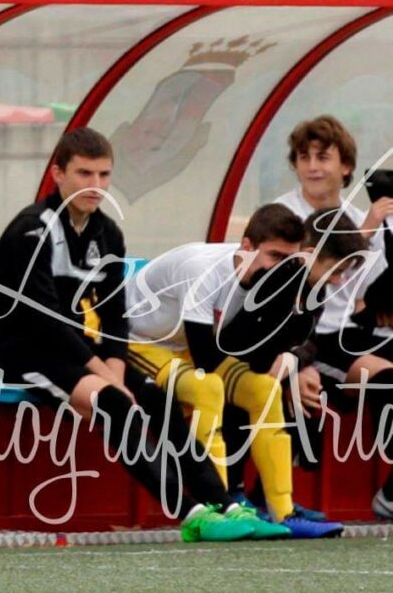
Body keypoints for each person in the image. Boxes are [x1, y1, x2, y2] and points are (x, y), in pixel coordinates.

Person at [0, 126, 271, 543]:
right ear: (57, 174)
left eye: (104, 175)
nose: (95, 185)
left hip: (77, 348)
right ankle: (190, 513)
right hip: (27, 352)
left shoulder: (106, 232)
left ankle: (223, 502)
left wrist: (115, 364)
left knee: (160, 402)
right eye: (84, 174)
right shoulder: (31, 231)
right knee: (117, 405)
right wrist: (104, 373)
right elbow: (45, 318)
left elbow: (114, 311)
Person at [126, 203, 344, 537]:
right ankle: (222, 509)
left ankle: (283, 512)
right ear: (246, 247)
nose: (281, 268)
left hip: (188, 347)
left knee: (264, 390)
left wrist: (291, 351)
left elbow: (257, 356)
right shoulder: (204, 272)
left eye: (291, 259)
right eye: (274, 257)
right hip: (141, 341)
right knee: (207, 388)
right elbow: (206, 359)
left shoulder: (279, 279)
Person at [272, 114, 393, 519]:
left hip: (345, 334)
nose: (312, 167)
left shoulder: (363, 215)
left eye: (322, 157)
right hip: (303, 336)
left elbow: (360, 292)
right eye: (303, 157)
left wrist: (370, 231)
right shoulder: (282, 216)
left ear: (345, 167)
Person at [216, 210, 367, 522]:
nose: (338, 280)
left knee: (308, 394)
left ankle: (265, 497)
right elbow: (247, 344)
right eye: (335, 270)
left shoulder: (316, 287)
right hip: (224, 362)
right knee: (254, 394)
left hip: (264, 366)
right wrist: (290, 370)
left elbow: (308, 342)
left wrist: (296, 365)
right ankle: (235, 491)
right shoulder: (278, 281)